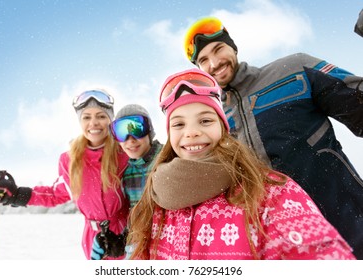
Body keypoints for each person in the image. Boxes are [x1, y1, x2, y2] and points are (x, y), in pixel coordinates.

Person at [182, 17, 363, 259]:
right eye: (203, 60)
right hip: (284, 246)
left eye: (218, 50)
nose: (214, 63)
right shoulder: (216, 120)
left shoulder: (294, 69)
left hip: (349, 223)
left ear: (232, 47)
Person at [127, 68, 355, 260]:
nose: (192, 132)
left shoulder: (270, 193)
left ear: (223, 127)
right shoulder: (154, 200)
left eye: (205, 120)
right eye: (178, 125)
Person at [0, 89, 129, 259]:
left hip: (125, 237)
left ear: (110, 120)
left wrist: (127, 234)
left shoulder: (124, 153)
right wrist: (18, 194)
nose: (94, 123)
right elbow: (56, 194)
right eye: (87, 117)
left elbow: (139, 196)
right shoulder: (70, 160)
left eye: (101, 116)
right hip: (92, 240)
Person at [90, 104, 163, 260]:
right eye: (122, 133)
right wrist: (121, 241)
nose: (130, 140)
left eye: (137, 129)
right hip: (137, 247)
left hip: (167, 244)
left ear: (149, 130)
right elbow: (135, 214)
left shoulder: (166, 158)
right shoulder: (127, 171)